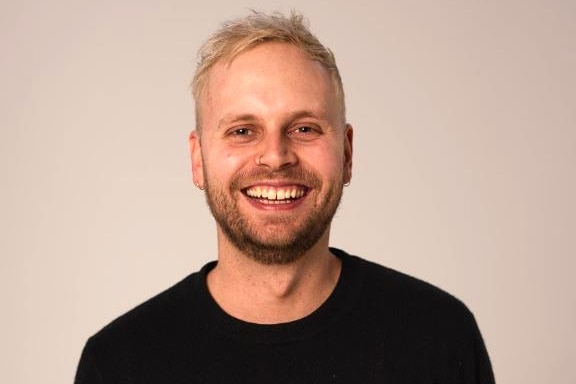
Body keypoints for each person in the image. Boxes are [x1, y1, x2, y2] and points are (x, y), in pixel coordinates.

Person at [75, 11, 495, 384]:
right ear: (198, 159)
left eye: (305, 129)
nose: (275, 156)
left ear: (347, 154)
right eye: (242, 130)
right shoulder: (119, 365)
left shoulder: (439, 339)